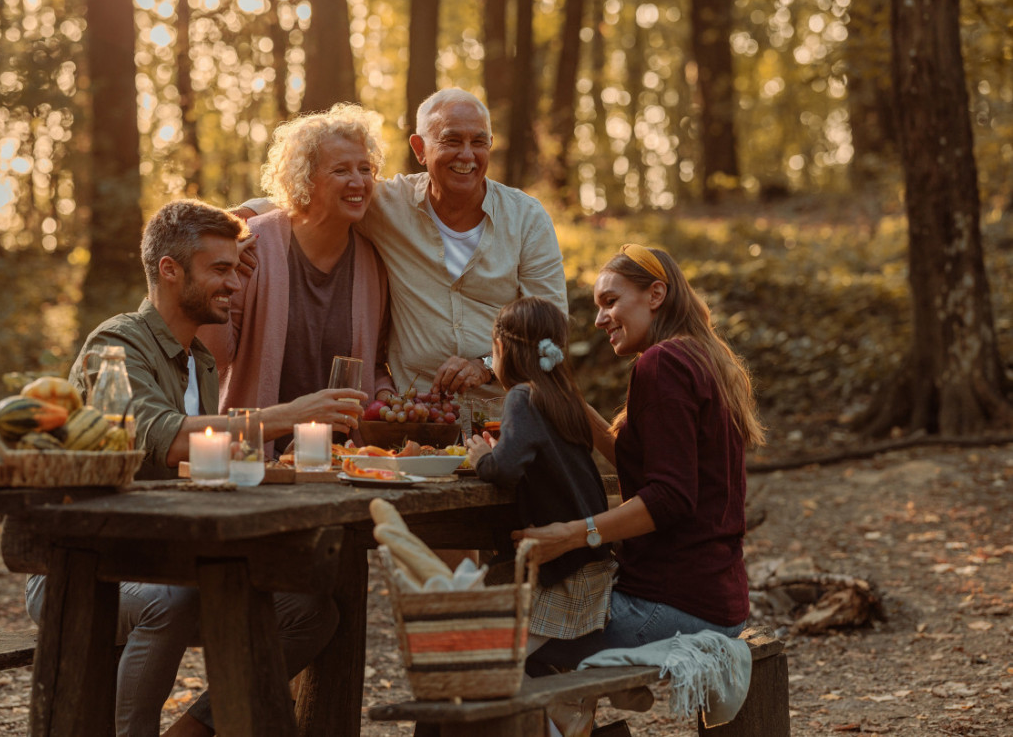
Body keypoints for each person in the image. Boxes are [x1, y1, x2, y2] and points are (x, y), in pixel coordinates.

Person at [27, 200, 359, 737]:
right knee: (172, 599)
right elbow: (166, 438)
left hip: (159, 559)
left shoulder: (198, 359)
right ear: (169, 270)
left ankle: (193, 731)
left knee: (309, 611)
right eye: (220, 270)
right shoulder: (115, 345)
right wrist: (288, 417)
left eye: (237, 268)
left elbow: (200, 461)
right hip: (83, 568)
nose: (235, 283)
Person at [517, 244, 766, 670]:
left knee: (512, 656)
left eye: (610, 302)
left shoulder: (661, 362)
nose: (599, 320)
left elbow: (669, 496)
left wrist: (573, 535)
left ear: (655, 295)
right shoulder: (701, 356)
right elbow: (650, 464)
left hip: (672, 606)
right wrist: (569, 400)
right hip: (717, 601)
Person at [238, 88, 566, 403]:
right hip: (417, 419)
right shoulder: (388, 206)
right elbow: (314, 198)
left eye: (479, 142)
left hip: (507, 416)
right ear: (420, 148)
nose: (467, 154)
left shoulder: (526, 219)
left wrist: (487, 365)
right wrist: (232, 223)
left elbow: (552, 331)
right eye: (452, 140)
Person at [200, 104, 394, 453]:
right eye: (341, 170)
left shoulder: (372, 262)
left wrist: (385, 395)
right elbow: (213, 357)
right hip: (255, 459)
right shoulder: (251, 247)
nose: (358, 181)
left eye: (365, 169)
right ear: (306, 179)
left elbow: (377, 362)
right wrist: (215, 274)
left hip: (343, 465)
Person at [462, 296, 617, 652]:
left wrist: (483, 456)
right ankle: (575, 694)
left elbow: (505, 469)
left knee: (496, 660)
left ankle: (607, 667)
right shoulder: (563, 398)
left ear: (499, 348)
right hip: (591, 562)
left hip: (564, 574)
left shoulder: (521, 396)